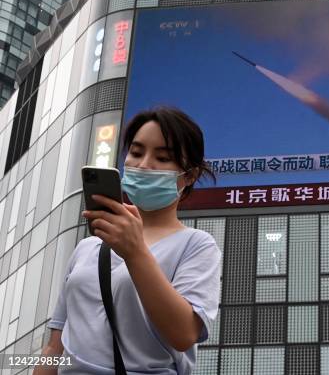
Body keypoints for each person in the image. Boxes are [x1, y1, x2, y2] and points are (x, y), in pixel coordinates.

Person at [34, 106, 221, 374]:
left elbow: (183, 334)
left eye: (163, 157)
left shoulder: (196, 245)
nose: (144, 164)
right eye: (136, 152)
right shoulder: (88, 247)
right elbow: (54, 348)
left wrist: (135, 253)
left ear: (189, 175)